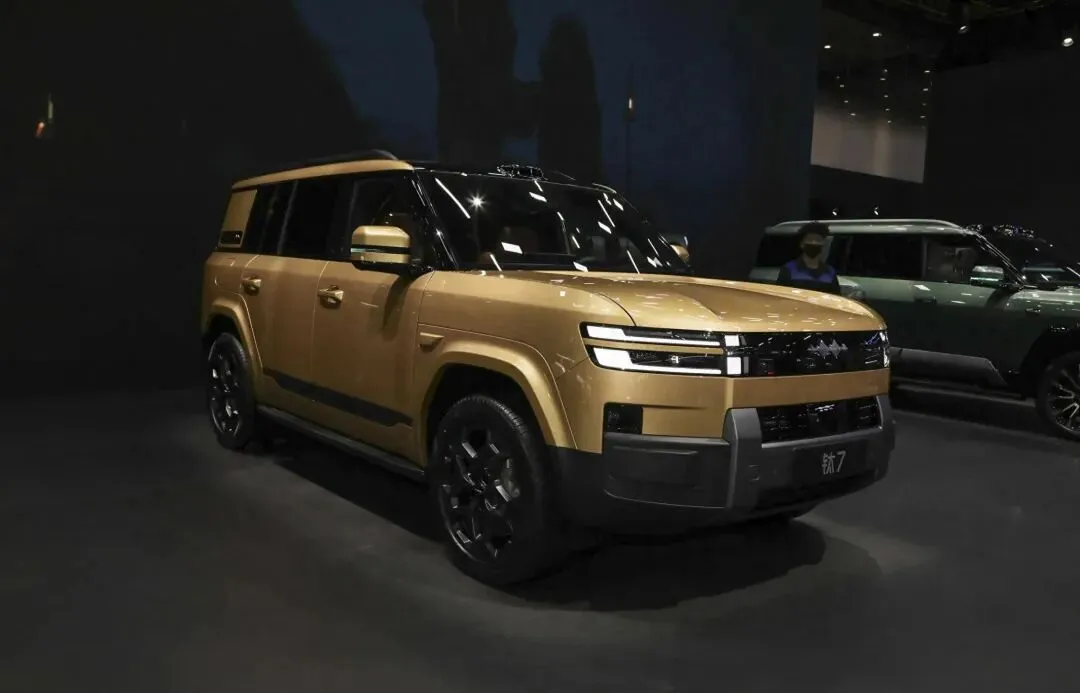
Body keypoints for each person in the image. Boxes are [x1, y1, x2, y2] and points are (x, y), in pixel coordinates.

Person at [776, 221, 841, 295]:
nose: (814, 243)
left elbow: (836, 298)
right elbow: (780, 296)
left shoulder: (830, 272)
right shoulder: (789, 269)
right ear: (802, 244)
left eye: (818, 240)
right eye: (810, 239)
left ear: (823, 245)